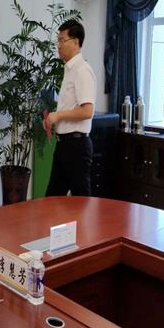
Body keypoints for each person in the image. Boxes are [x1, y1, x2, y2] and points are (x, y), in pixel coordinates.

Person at [44, 20, 96, 197]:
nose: (58, 46)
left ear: (75, 42)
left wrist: (58, 116)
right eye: (57, 41)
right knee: (52, 200)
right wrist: (52, 119)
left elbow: (87, 111)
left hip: (77, 147)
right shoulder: (69, 70)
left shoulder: (82, 70)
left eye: (62, 40)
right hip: (64, 145)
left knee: (81, 202)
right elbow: (70, 107)